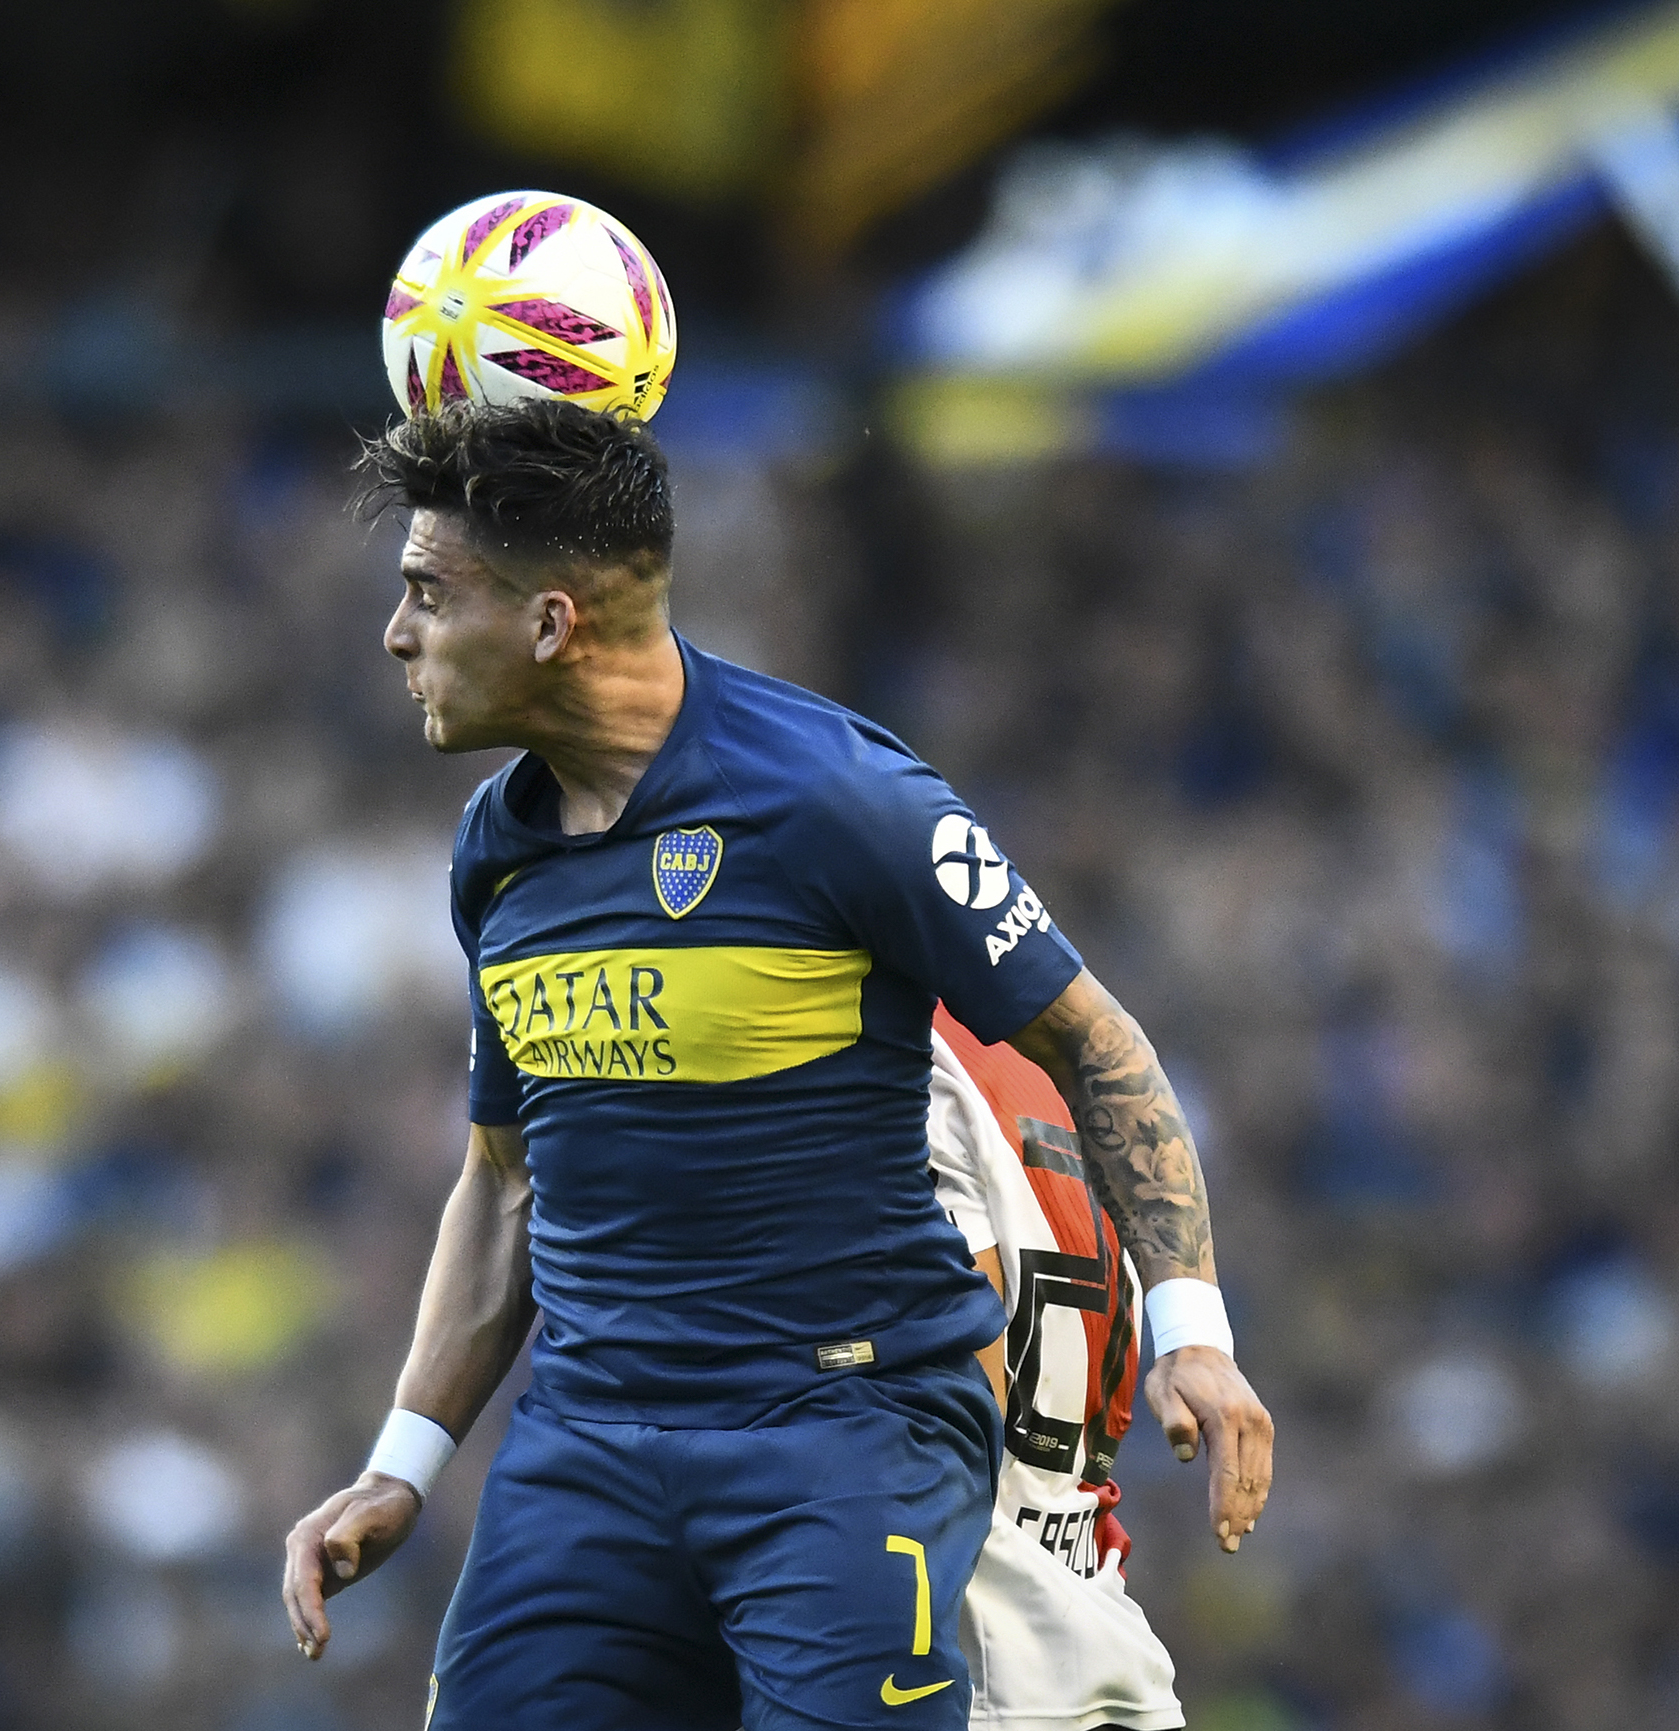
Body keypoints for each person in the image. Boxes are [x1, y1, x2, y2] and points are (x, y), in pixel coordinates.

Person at [279, 401, 1271, 1730]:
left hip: (844, 1434)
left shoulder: (837, 797)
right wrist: (403, 1457)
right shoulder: (494, 849)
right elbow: (502, 1180)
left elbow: (1094, 1042)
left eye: (422, 592)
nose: (395, 633)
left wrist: (1191, 1330)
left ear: (549, 622)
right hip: (589, 1444)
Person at [929, 1005, 1185, 1731]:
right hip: (1087, 1630)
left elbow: (946, 1393)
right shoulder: (1059, 1068)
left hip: (964, 1655)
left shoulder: (871, 1057)